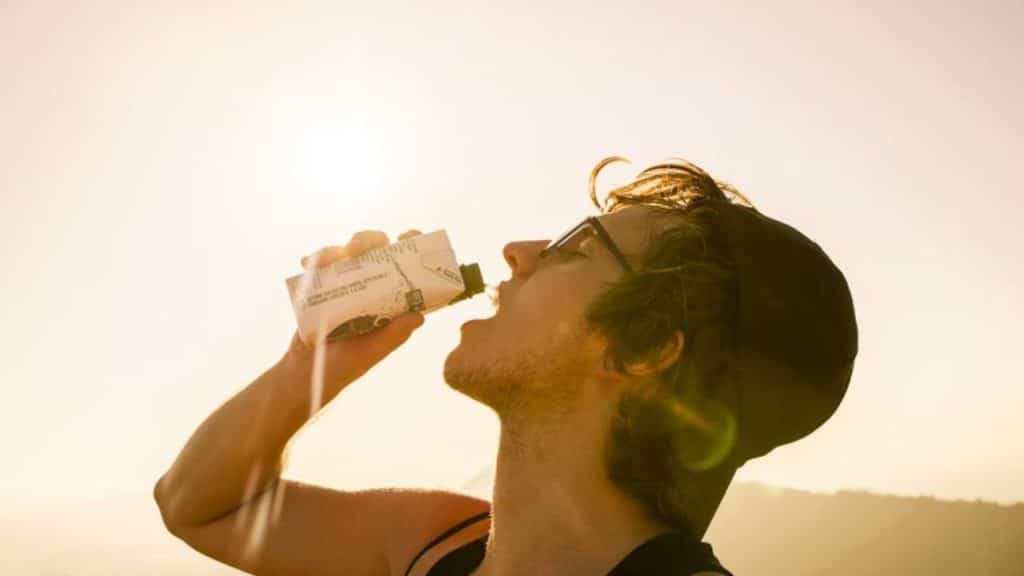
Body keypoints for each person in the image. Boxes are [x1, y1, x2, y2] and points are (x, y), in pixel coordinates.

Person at [155, 156, 858, 575]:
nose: (521, 250)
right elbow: (198, 505)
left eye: (579, 247)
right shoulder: (436, 544)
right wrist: (309, 364)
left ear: (641, 350)